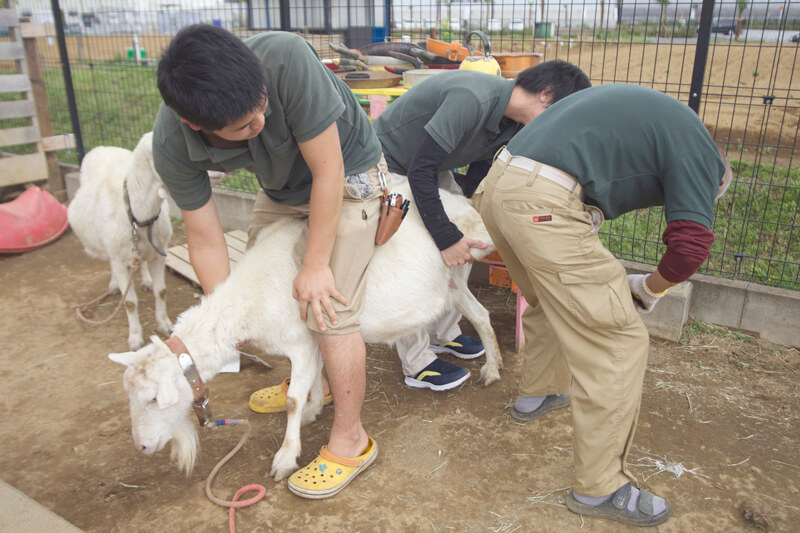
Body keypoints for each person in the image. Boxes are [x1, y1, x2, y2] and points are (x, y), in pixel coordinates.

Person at [474, 83, 733, 526]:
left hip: (498, 184)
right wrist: (649, 289)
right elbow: (691, 247)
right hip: (540, 199)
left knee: (552, 301)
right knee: (617, 340)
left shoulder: (662, 123)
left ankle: (539, 394)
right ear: (717, 175)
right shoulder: (701, 155)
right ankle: (600, 489)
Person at [152, 24, 385, 499]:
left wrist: (316, 266)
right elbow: (206, 238)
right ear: (196, 126)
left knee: (329, 308)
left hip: (348, 172)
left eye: (262, 104)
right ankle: (311, 383)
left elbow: (328, 171)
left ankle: (351, 440)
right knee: (262, 290)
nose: (260, 117)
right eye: (244, 125)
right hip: (281, 191)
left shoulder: (287, 57)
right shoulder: (171, 146)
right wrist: (228, 316)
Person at [372, 62, 591, 391]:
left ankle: (443, 334)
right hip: (391, 162)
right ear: (547, 96)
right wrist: (446, 238)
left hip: (429, 163)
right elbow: (420, 172)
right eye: (561, 113)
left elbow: (478, 177)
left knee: (462, 230)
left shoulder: (512, 123)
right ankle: (416, 362)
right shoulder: (472, 99)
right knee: (420, 250)